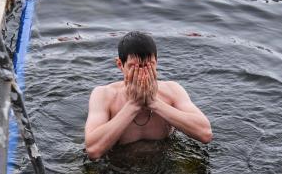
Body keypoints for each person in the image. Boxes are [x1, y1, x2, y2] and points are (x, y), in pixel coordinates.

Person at [84, 31, 212, 160]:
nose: (143, 74)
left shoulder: (172, 90)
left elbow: (205, 134)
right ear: (120, 65)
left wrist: (154, 103)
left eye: (148, 66)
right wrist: (133, 105)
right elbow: (93, 151)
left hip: (163, 160)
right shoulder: (104, 95)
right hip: (118, 166)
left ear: (156, 62)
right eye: (135, 67)